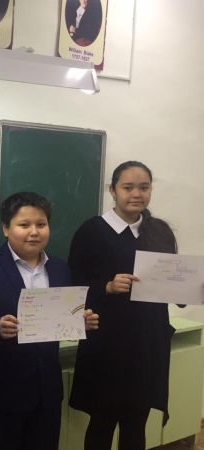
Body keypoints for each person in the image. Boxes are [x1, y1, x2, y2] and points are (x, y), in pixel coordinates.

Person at [0, 192, 99, 450]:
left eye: (41, 224)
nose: (34, 232)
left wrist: (80, 322)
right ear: (6, 228)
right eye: (24, 225)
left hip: (46, 391)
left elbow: (61, 320)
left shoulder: (60, 268)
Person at [68, 161, 179, 450]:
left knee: (136, 422)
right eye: (128, 187)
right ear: (112, 190)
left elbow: (173, 282)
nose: (136, 194)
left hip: (147, 343)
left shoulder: (159, 231)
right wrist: (106, 286)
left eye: (144, 187)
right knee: (102, 421)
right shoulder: (91, 231)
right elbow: (72, 286)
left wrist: (192, 289)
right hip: (107, 343)